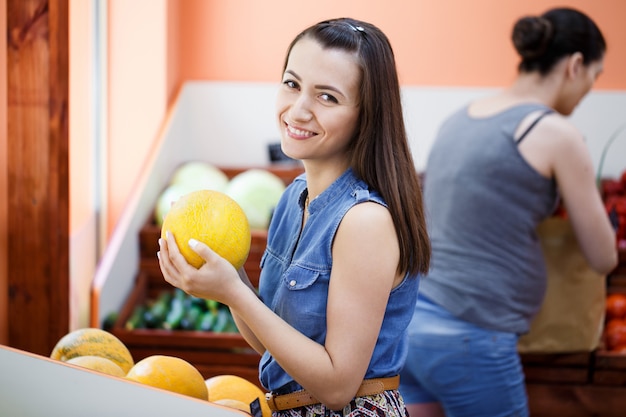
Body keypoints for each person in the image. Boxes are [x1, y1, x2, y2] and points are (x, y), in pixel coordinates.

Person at [158, 17, 431, 416]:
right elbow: (275, 343)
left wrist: (234, 292)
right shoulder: (292, 200)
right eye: (292, 83)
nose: (298, 109)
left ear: (366, 115)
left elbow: (338, 386)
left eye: (327, 97)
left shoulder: (364, 221)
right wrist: (226, 280)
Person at [399, 7, 618, 417]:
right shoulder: (554, 133)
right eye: (595, 74)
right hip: (470, 339)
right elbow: (603, 256)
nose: (590, 87)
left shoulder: (459, 119)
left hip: (411, 329)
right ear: (575, 66)